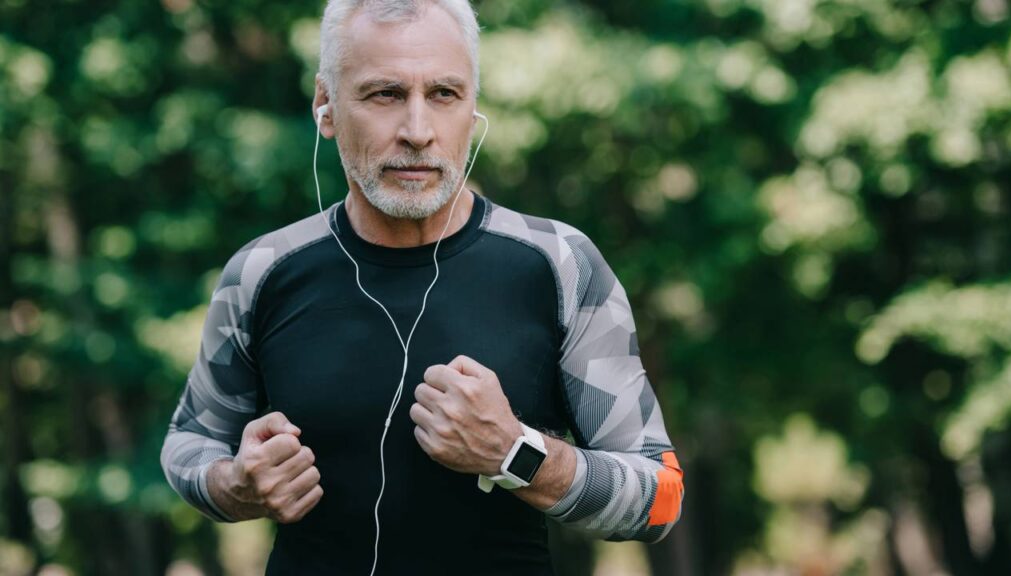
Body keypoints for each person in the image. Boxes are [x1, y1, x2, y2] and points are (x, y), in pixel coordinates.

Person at [159, 1, 684, 574]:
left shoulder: (559, 264)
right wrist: (235, 484)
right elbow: (188, 442)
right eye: (385, 93)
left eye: (443, 94)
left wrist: (514, 451)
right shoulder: (261, 271)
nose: (417, 131)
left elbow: (661, 498)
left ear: (472, 106)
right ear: (325, 106)